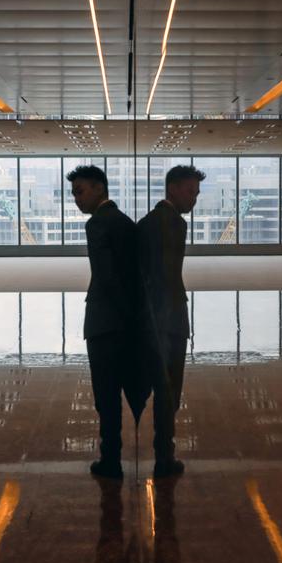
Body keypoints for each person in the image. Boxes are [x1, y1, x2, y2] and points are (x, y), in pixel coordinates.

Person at [68, 165, 145, 480]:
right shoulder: (125, 221)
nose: (77, 199)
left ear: (100, 188)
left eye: (80, 191)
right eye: (74, 194)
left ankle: (110, 459)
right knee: (123, 389)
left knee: (106, 394)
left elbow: (106, 275)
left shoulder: (98, 224)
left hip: (105, 323)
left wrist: (116, 314)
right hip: (127, 321)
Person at [138, 165, 203, 479]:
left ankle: (162, 449)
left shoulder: (148, 222)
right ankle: (164, 455)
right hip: (168, 319)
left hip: (155, 317)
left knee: (160, 387)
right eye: (191, 191)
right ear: (173, 188)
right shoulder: (172, 223)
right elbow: (165, 277)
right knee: (169, 389)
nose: (194, 198)